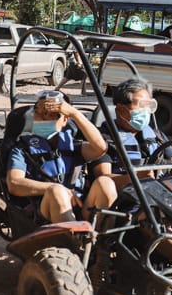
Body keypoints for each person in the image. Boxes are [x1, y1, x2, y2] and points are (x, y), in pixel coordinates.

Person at [6, 89, 117, 223]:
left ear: (65, 119)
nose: (42, 118)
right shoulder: (22, 149)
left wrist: (75, 114)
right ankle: (74, 239)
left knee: (105, 183)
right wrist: (55, 188)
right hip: (46, 208)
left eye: (51, 114)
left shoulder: (73, 146)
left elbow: (100, 148)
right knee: (56, 192)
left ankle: (99, 238)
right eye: (39, 113)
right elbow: (14, 183)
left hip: (80, 205)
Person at [101, 78, 172, 190]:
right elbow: (102, 181)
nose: (146, 111)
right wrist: (136, 178)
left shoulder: (156, 136)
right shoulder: (104, 138)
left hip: (158, 194)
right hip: (126, 198)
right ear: (120, 109)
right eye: (141, 105)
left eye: (149, 106)